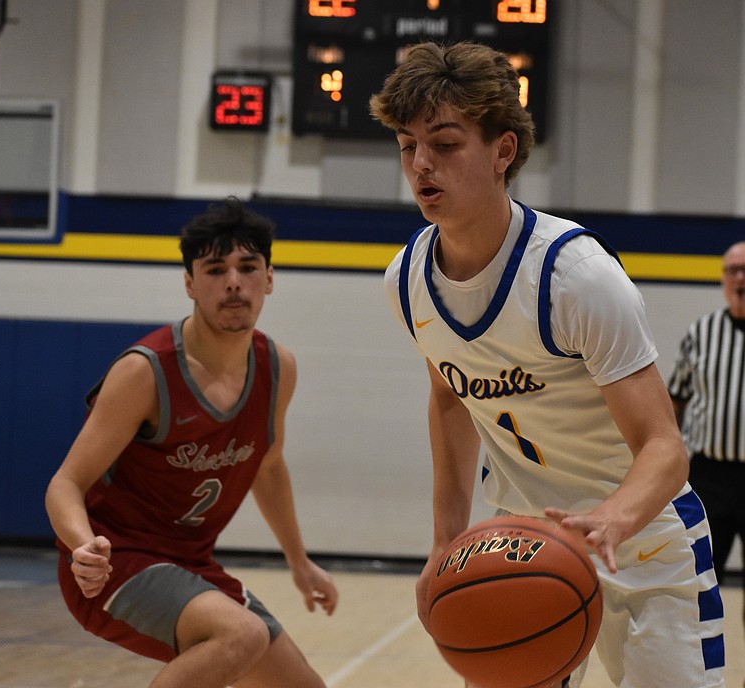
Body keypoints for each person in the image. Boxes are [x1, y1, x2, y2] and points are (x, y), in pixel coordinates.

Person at [369, 41, 725, 688]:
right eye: (406, 144)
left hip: (642, 543)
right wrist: (445, 542)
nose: (421, 163)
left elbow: (665, 449)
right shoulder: (408, 282)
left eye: (445, 144)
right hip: (523, 545)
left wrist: (610, 521)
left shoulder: (576, 278)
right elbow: (450, 399)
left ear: (503, 151)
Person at [45, 197, 337, 688]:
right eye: (215, 269)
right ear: (189, 283)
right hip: (119, 562)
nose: (233, 282)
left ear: (269, 278)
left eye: (248, 267)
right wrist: (82, 548)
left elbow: (267, 467)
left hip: (191, 567)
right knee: (240, 635)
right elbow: (65, 484)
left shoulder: (277, 367)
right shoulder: (145, 371)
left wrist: (299, 561)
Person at [669, 240, 745, 666]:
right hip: (710, 478)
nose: (739, 278)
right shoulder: (702, 332)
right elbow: (674, 401)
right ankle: (695, 675)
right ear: (722, 280)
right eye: (731, 270)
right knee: (696, 586)